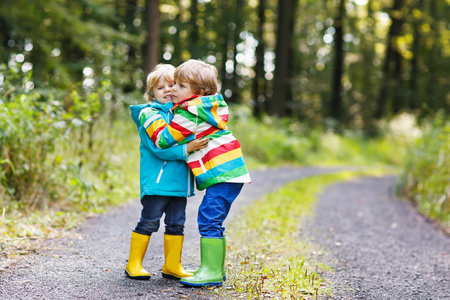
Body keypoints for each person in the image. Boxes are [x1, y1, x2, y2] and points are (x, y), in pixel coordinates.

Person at [139, 59, 251, 287]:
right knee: (214, 219)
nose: (173, 90)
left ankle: (210, 272)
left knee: (209, 218)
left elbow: (163, 139)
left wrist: (148, 118)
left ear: (198, 91)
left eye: (180, 86)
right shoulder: (207, 106)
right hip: (230, 171)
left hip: (223, 173)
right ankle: (216, 270)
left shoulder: (191, 113)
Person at [126, 64, 209, 280]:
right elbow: (159, 147)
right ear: (151, 93)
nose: (168, 90)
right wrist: (187, 149)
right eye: (160, 87)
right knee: (150, 220)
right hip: (158, 182)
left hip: (179, 183)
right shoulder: (148, 114)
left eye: (173, 85)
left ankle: (172, 265)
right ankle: (133, 264)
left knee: (176, 223)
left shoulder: (182, 113)